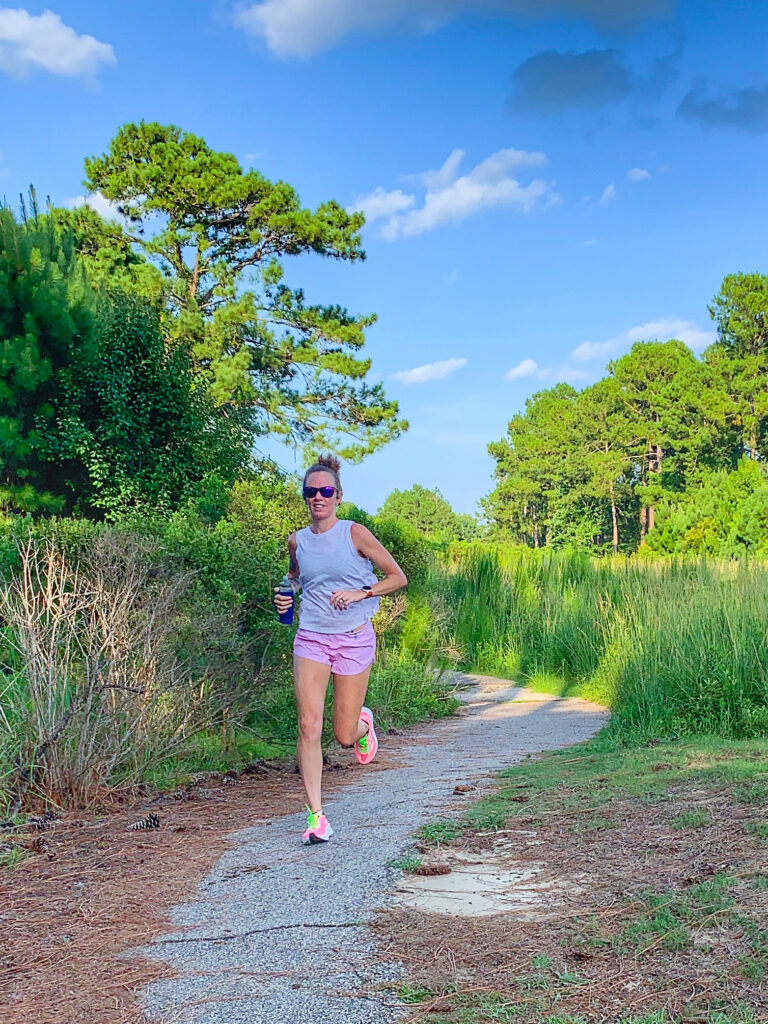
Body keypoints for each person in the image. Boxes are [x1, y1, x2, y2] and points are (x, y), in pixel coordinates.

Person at [274, 455, 408, 845]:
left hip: (353, 637)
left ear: (338, 496)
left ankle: (364, 725)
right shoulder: (297, 540)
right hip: (312, 638)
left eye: (326, 491)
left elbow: (397, 577)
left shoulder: (355, 534)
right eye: (311, 491)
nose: (319, 497)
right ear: (305, 497)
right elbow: (296, 578)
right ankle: (316, 817)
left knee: (344, 736)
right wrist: (287, 596)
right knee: (308, 725)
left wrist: (359, 593)